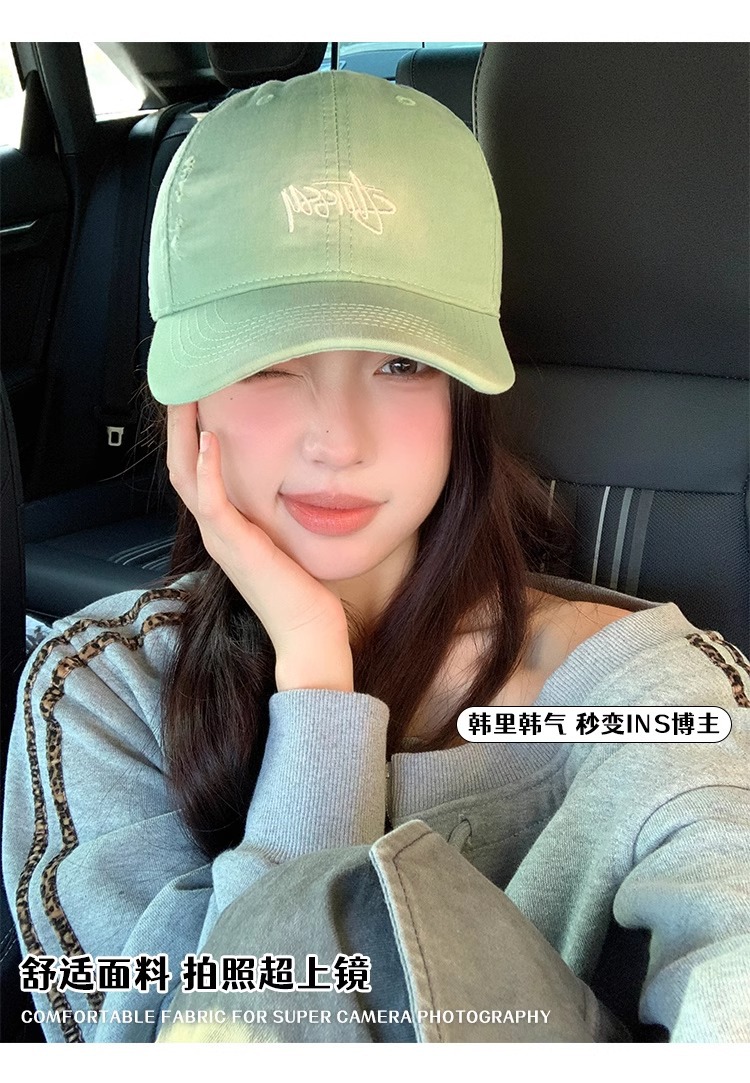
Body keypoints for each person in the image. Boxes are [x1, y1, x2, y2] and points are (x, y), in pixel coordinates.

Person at [3, 70, 749, 1045]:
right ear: (184, 396)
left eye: (402, 363)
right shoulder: (100, 696)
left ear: (462, 396)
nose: (338, 440)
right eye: (270, 361)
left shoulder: (636, 691)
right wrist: (318, 684)